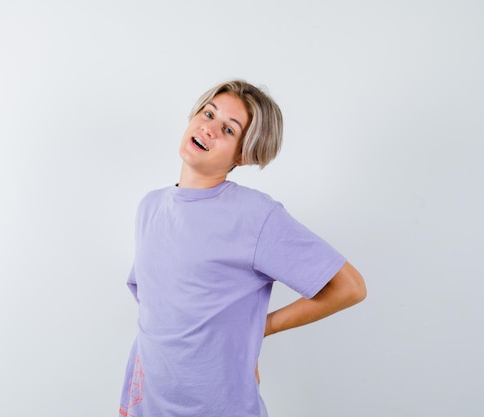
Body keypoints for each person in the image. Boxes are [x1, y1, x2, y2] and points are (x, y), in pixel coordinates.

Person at [119, 80, 366, 417]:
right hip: (147, 406)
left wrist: (261, 329)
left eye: (228, 129)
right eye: (208, 113)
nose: (209, 128)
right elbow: (156, 314)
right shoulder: (149, 206)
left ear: (244, 153)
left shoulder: (255, 216)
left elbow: (349, 287)